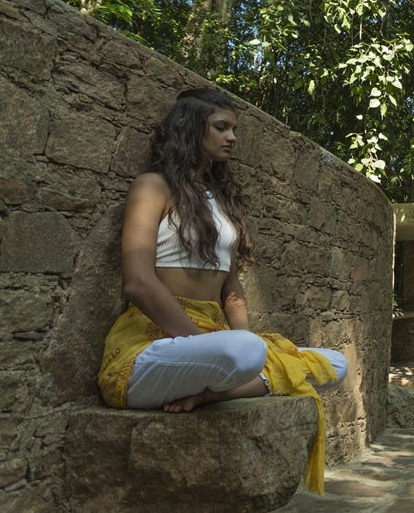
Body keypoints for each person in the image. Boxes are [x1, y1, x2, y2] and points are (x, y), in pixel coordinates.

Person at [96, 88, 346, 494]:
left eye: (234, 129)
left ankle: (210, 395)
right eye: (221, 127)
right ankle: (227, 372)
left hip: (215, 342)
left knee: (335, 363)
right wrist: (213, 346)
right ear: (187, 126)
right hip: (154, 344)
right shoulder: (153, 186)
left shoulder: (221, 200)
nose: (232, 137)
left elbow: (231, 285)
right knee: (245, 351)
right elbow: (138, 283)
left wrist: (243, 343)